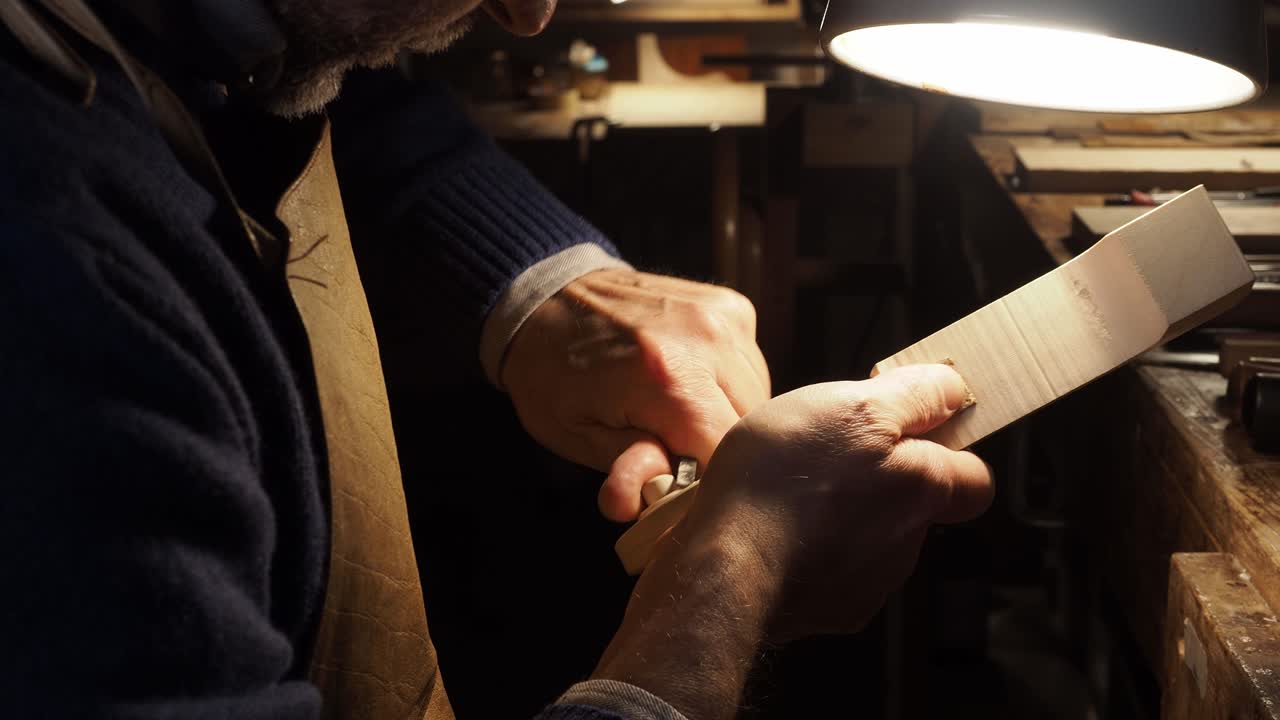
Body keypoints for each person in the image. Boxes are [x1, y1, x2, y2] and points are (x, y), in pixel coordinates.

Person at [0, 1, 994, 719]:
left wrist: (537, 284)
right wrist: (732, 571)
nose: (526, 15)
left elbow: (310, 60)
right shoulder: (60, 286)